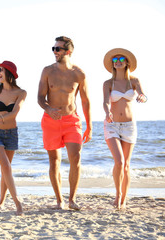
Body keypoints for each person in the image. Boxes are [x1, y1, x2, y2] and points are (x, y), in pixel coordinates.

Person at [37, 36, 92, 210]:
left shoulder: (79, 74)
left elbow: (85, 101)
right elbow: (40, 97)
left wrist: (89, 126)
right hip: (51, 121)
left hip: (72, 121)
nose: (55, 52)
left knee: (76, 158)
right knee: (54, 161)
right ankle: (60, 200)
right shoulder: (47, 71)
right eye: (53, 49)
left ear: (68, 51)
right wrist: (48, 109)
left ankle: (72, 199)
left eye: (58, 49)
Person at [102, 48, 147, 210]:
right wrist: (107, 112)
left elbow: (143, 94)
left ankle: (124, 198)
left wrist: (142, 97)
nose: (118, 61)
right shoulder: (108, 83)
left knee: (126, 164)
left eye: (121, 59)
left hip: (129, 126)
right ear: (112, 65)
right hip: (112, 124)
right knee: (119, 161)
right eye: (115, 60)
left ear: (127, 62)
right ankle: (118, 194)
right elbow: (106, 101)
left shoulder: (133, 81)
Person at [0, 61, 26, 216]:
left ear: (8, 71)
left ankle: (1, 202)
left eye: (0, 70)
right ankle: (18, 203)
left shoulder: (21, 93)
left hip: (11, 134)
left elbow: (14, 112)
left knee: (5, 169)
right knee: (7, 166)